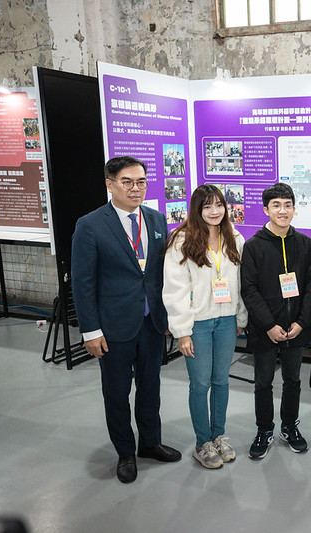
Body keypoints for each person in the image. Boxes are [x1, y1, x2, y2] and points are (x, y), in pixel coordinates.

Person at [71, 156, 181, 484]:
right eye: (127, 182)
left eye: (141, 181)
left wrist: (168, 315)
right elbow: (83, 283)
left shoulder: (156, 219)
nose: (136, 188)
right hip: (112, 327)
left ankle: (150, 443)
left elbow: (159, 275)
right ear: (110, 184)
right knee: (117, 394)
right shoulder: (90, 225)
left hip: (150, 324)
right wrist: (91, 331)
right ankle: (125, 453)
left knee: (150, 388)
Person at [162, 184, 247, 469]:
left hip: (226, 321)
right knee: (200, 384)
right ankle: (203, 443)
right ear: (197, 209)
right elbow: (175, 289)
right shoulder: (181, 241)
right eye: (207, 206)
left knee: (221, 381)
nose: (214, 211)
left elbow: (240, 282)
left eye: (219, 205)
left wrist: (240, 317)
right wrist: (182, 331)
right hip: (197, 324)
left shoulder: (234, 237)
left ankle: (218, 436)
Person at [241, 183, 311, 460]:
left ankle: (289, 426)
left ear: (294, 209)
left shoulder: (305, 244)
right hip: (265, 330)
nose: (282, 211)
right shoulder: (253, 247)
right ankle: (264, 429)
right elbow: (249, 289)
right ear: (266, 209)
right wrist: (269, 326)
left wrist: (301, 322)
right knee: (263, 382)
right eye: (276, 205)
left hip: (296, 327)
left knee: (293, 380)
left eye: (287, 205)